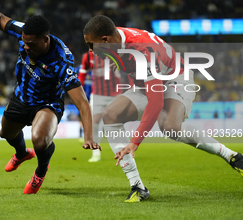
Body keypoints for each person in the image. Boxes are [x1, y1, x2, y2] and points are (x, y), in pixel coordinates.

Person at [83, 15, 243, 202]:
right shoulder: (113, 39)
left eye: (91, 45)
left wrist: (135, 142)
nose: (90, 51)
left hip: (176, 79)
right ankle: (137, 186)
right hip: (148, 82)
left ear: (105, 40)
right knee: (110, 115)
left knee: (169, 127)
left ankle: (232, 157)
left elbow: (156, 101)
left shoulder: (143, 50)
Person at [0, 11, 101, 194]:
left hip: (47, 104)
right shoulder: (25, 32)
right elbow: (4, 21)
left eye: (31, 44)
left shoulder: (62, 62)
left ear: (45, 40)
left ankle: (40, 170)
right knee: (5, 133)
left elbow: (83, 103)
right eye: (24, 43)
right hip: (21, 97)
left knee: (39, 140)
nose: (26, 47)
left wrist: (88, 137)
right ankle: (22, 154)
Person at [78, 51, 122, 162]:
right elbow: (82, 75)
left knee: (117, 123)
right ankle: (95, 152)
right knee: (94, 122)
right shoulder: (87, 56)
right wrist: (78, 91)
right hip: (97, 94)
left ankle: (122, 150)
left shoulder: (113, 53)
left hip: (115, 94)